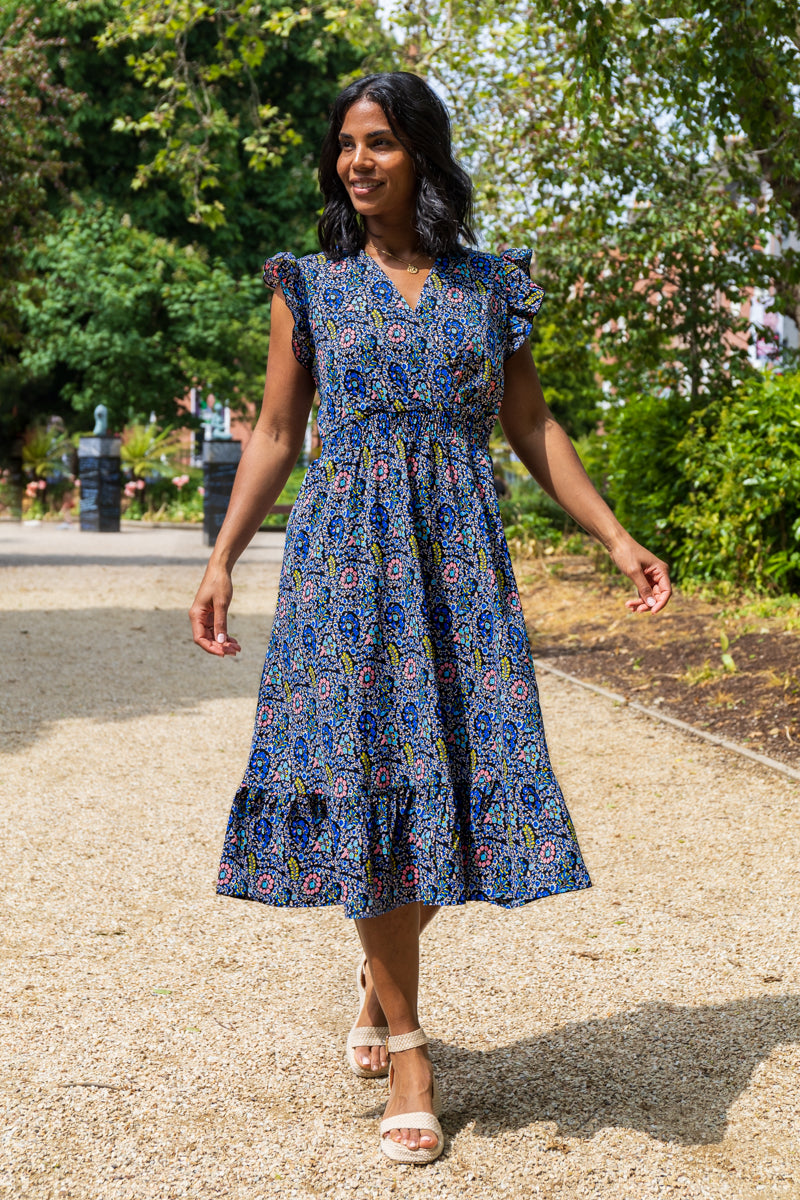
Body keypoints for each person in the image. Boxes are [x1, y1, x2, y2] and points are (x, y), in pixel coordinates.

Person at [189, 71, 671, 1166]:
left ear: (423, 156)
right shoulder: (306, 284)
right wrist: (221, 558)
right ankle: (406, 1040)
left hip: (457, 563)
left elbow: (532, 425)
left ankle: (375, 973)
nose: (356, 162)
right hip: (345, 562)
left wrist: (614, 536)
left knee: (454, 781)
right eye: (346, 146)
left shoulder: (490, 286)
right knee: (364, 780)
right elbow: (271, 433)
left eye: (380, 145)